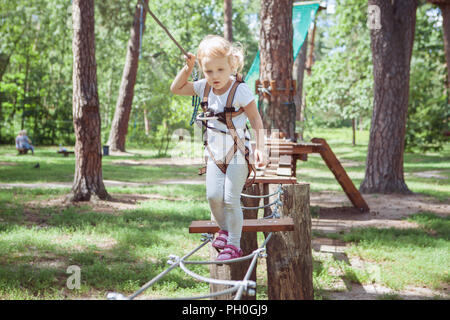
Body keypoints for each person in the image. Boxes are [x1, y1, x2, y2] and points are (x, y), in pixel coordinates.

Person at [170, 35, 268, 261]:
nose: (214, 76)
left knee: (230, 198)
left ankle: (234, 244)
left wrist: (260, 148)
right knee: (213, 196)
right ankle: (224, 229)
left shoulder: (240, 90)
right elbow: (177, 88)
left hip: (237, 152)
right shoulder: (204, 87)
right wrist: (188, 67)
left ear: (232, 65)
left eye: (220, 70)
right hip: (214, 155)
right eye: (208, 71)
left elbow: (256, 120)